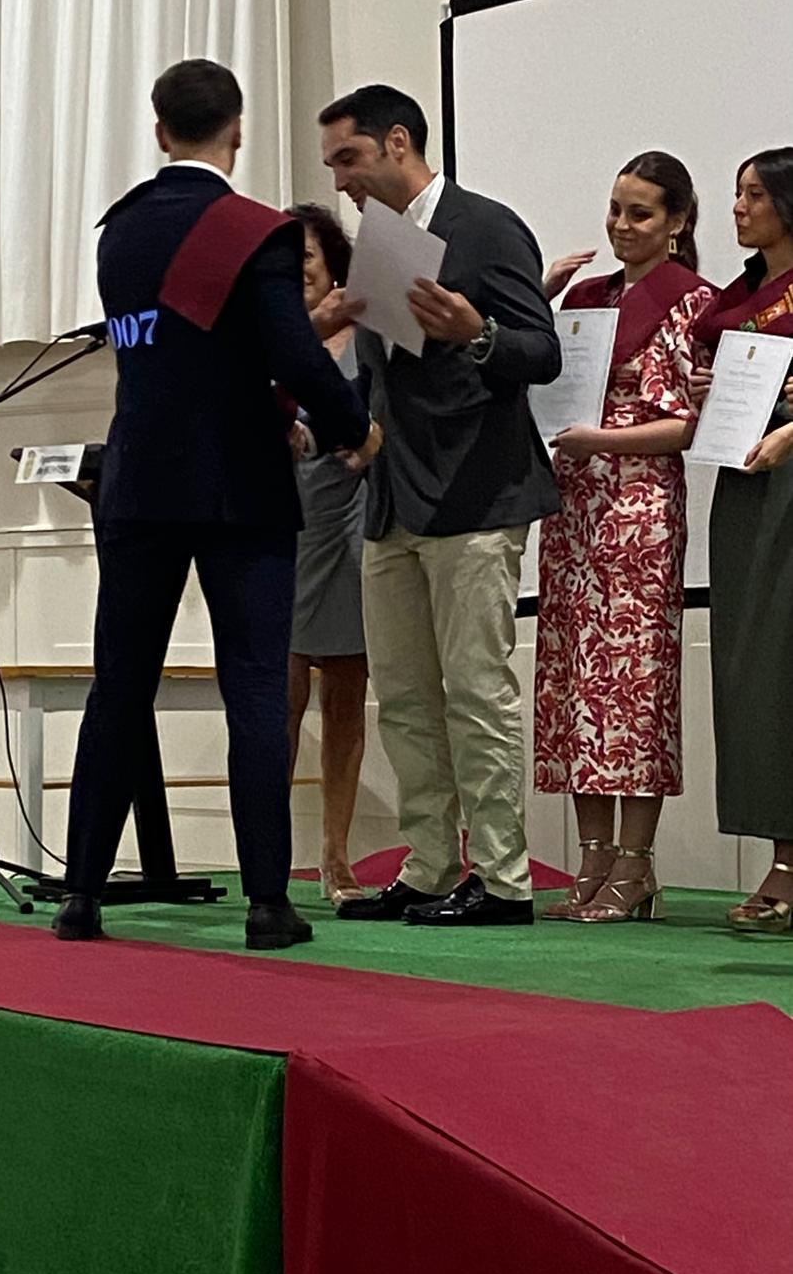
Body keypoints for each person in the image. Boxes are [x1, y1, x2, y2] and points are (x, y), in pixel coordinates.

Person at [53, 58, 378, 950]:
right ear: (238, 129)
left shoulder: (118, 232)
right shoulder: (259, 231)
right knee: (255, 691)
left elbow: (172, 361)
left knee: (120, 685)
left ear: (160, 131)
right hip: (239, 486)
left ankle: (81, 895)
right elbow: (289, 352)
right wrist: (351, 425)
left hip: (139, 483)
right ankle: (268, 903)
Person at [319, 83, 561, 928]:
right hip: (393, 499)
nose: (340, 181)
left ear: (397, 142)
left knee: (477, 693)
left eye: (348, 158)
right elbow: (384, 375)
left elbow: (542, 353)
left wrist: (477, 332)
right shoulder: (378, 243)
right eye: (332, 165)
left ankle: (502, 879)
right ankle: (429, 867)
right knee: (406, 699)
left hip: (478, 494)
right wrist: (351, 430)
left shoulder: (485, 227)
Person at [535, 151, 715, 924]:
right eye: (615, 209)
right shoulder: (587, 297)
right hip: (574, 508)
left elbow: (688, 423)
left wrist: (602, 441)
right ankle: (592, 858)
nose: (621, 225)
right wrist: (541, 298)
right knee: (574, 681)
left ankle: (635, 864)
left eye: (640, 213)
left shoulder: (693, 303)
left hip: (639, 511)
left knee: (634, 686)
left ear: (677, 221)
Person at [690, 147, 793, 933]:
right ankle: (781, 853)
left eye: (753, 194)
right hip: (747, 485)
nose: (738, 207)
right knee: (755, 671)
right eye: (736, 193)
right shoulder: (738, 297)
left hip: (789, 477)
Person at [284, 203, 370, 909]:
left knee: (345, 698)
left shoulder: (367, 337)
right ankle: (266, 854)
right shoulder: (266, 339)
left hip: (354, 520)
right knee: (279, 701)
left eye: (306, 258)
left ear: (333, 264)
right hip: (283, 525)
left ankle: (335, 856)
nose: (295, 272)